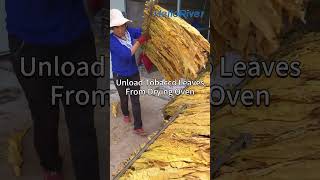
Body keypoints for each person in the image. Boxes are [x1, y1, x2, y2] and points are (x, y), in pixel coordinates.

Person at [5, 1, 102, 180]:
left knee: (82, 122)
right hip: (29, 42)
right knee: (44, 116)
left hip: (75, 38)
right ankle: (51, 167)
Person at [110, 9, 149, 136]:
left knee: (135, 100)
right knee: (123, 98)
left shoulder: (129, 32)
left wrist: (149, 28)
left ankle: (138, 126)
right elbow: (127, 55)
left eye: (122, 26)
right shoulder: (111, 41)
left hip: (133, 73)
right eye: (117, 27)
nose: (120, 30)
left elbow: (142, 31)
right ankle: (126, 113)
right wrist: (139, 41)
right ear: (112, 28)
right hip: (119, 75)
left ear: (125, 25)